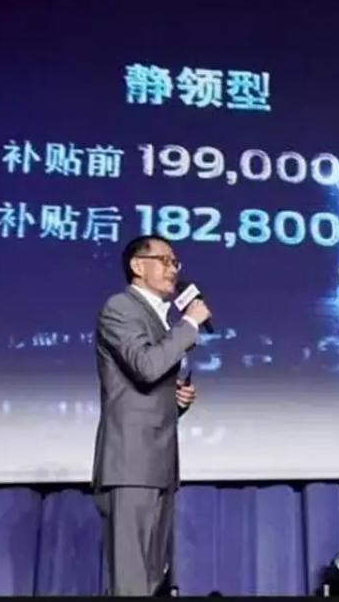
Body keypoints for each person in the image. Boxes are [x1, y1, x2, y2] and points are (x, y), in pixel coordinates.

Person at [91, 235, 212, 596]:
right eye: (165, 260)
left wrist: (177, 402)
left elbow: (145, 391)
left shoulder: (159, 318)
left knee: (152, 581)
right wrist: (190, 324)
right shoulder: (120, 307)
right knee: (131, 582)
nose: (173, 269)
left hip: (159, 463)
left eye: (175, 262)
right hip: (131, 464)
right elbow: (145, 366)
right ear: (138, 266)